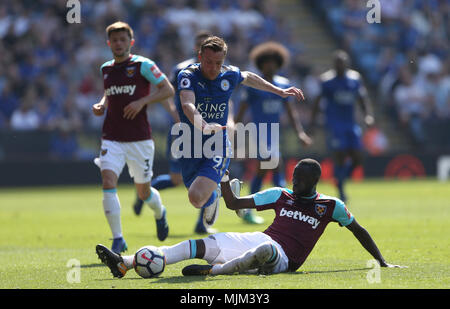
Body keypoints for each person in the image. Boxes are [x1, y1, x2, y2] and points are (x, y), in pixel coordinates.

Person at [96, 158, 405, 278]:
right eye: (293, 176)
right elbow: (234, 204)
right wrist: (223, 177)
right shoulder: (279, 194)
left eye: (299, 179)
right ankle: (125, 262)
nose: (293, 181)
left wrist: (381, 261)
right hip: (260, 238)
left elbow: (358, 230)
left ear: (313, 181)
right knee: (200, 244)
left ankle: (217, 273)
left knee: (265, 253)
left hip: (285, 257)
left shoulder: (330, 205)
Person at [173, 36, 305, 230]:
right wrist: (204, 125)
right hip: (191, 142)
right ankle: (221, 185)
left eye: (218, 63)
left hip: (217, 143)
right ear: (200, 57)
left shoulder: (229, 74)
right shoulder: (187, 76)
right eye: (208, 62)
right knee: (196, 199)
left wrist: (278, 91)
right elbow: (187, 105)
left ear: (224, 60)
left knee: (196, 196)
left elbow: (249, 77)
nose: (213, 68)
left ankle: (223, 185)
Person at [92, 21, 175, 254]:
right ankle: (118, 239)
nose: (118, 43)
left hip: (139, 138)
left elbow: (168, 89)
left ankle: (160, 213)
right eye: (114, 40)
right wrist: (101, 104)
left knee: (144, 192)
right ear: (109, 43)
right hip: (111, 137)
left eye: (122, 39)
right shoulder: (106, 68)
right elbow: (108, 93)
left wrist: (142, 101)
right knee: (108, 183)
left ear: (131, 42)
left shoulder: (143, 65)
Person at [132, 30, 220, 235]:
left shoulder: (217, 71)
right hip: (183, 130)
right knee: (176, 179)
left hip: (206, 130)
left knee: (205, 176)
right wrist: (174, 114)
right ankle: (144, 192)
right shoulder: (182, 70)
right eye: (201, 45)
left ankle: (201, 224)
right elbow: (165, 92)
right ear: (196, 49)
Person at [235, 41, 312, 225]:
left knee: (263, 171)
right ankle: (288, 206)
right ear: (261, 64)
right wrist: (233, 129)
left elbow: (291, 112)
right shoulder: (253, 85)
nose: (270, 65)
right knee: (275, 164)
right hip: (258, 133)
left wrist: (300, 133)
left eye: (273, 62)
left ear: (279, 63)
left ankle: (250, 209)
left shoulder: (283, 85)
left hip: (275, 134)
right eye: (266, 62)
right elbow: (242, 109)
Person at [311, 50, 374, 203]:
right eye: (338, 62)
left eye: (343, 62)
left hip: (351, 124)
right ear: (334, 64)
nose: (340, 65)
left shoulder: (355, 78)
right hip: (334, 125)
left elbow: (362, 98)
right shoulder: (327, 81)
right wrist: (314, 121)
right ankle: (341, 191)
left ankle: (340, 178)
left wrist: (368, 115)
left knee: (358, 157)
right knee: (339, 157)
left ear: (347, 63)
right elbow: (318, 101)